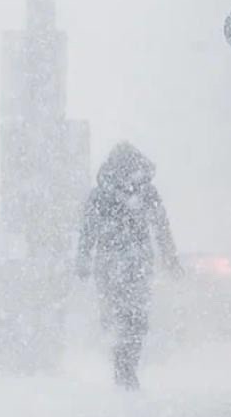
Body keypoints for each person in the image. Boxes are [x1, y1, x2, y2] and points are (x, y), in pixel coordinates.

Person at [76, 143, 180, 390]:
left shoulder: (101, 195)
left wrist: (83, 259)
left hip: (111, 263)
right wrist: (169, 258)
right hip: (136, 264)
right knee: (134, 318)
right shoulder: (146, 192)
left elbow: (88, 231)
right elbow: (161, 227)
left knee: (118, 317)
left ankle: (122, 366)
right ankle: (127, 367)